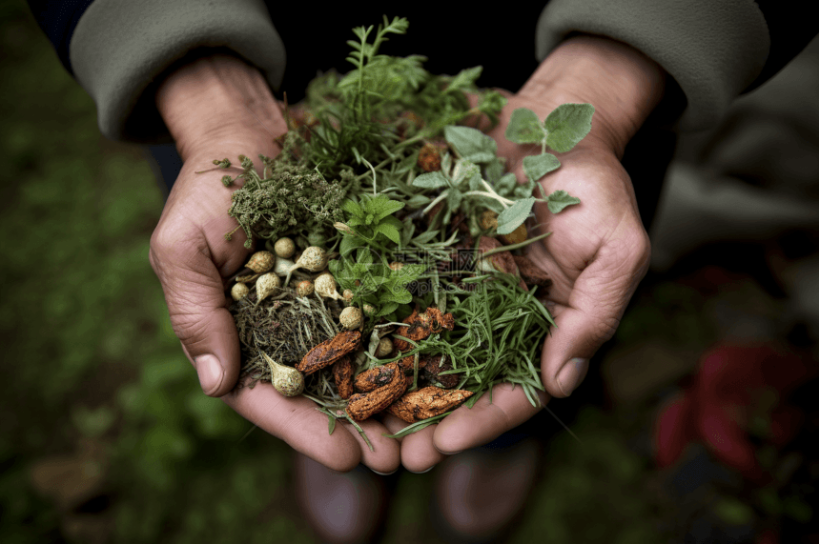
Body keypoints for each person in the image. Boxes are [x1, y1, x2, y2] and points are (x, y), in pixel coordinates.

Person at [26, 1, 819, 542]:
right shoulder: (302, 270)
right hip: (263, 88)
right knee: (247, 265)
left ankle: (506, 444)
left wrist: (609, 76)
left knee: (557, 296)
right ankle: (344, 446)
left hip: (547, 54)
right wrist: (205, 91)